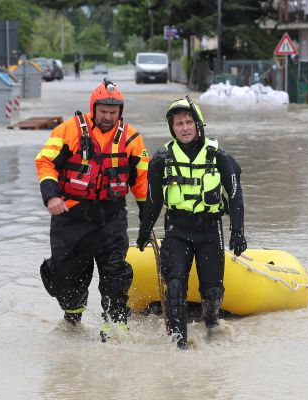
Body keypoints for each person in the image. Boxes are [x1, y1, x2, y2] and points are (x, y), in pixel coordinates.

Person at [35, 78, 149, 341]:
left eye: (113, 112)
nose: (108, 117)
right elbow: (45, 162)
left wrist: (147, 215)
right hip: (70, 216)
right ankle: (72, 320)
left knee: (115, 272)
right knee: (66, 277)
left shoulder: (131, 138)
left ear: (120, 112)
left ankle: (115, 325)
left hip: (110, 217)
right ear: (93, 108)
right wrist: (51, 197)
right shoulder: (69, 131)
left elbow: (141, 181)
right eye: (103, 112)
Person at [136, 96, 247, 349]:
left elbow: (236, 195)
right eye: (178, 124)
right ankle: (180, 346)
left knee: (212, 291)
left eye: (188, 122)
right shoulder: (161, 159)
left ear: (198, 125)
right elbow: (153, 201)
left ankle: (212, 322)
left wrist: (237, 232)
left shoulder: (219, 156)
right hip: (177, 230)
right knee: (174, 287)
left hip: (210, 230)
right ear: (171, 128)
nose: (184, 128)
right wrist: (144, 232)